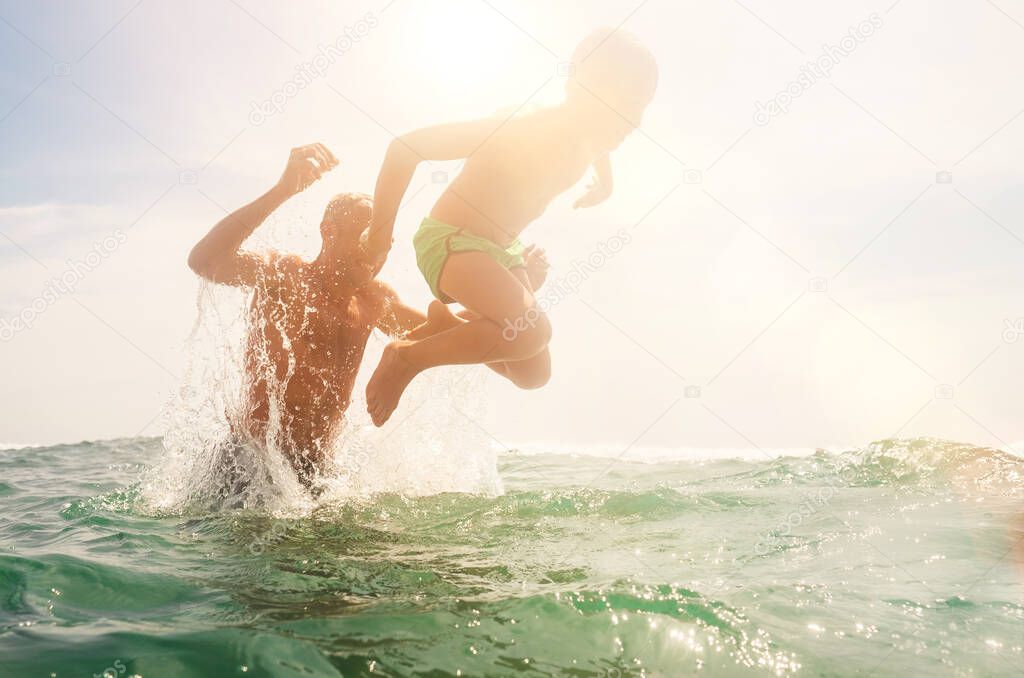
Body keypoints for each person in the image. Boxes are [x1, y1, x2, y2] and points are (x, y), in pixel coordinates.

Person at [361, 29, 658, 426]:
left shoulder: (594, 138)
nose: (635, 121)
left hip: (503, 251)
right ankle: (407, 357)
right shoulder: (522, 128)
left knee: (533, 372)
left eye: (641, 107)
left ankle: (443, 330)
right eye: (626, 105)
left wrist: (606, 184)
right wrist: (380, 236)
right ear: (582, 90)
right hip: (451, 240)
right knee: (532, 333)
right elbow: (404, 149)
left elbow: (600, 153)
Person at [187, 143, 437, 488]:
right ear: (328, 231)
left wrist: (516, 298)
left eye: (385, 243)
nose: (375, 253)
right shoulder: (284, 276)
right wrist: (284, 189)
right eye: (365, 238)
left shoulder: (376, 300)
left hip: (316, 472)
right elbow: (205, 261)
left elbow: (444, 333)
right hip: (250, 465)